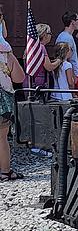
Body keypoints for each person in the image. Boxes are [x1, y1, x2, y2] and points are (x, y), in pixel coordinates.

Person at [0, 40, 26, 181]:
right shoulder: (5, 52)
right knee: (1, 138)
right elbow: (19, 78)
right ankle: (5, 171)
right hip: (1, 98)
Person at [55, 11, 78, 93]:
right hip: (70, 75)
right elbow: (65, 57)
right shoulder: (66, 38)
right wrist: (73, 76)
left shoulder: (65, 36)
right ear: (72, 22)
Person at [30, 24, 62, 89]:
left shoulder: (30, 47)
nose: (51, 35)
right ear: (44, 35)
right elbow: (49, 67)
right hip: (39, 84)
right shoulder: (41, 47)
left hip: (29, 82)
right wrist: (59, 60)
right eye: (49, 33)